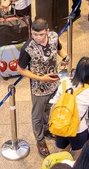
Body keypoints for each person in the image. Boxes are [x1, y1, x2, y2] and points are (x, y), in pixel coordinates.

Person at [17, 18, 69, 157]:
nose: (37, 38)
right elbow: (20, 69)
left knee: (50, 109)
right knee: (37, 115)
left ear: (47, 31)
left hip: (54, 83)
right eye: (34, 34)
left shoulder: (53, 37)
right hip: (38, 88)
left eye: (41, 34)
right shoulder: (28, 47)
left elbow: (59, 49)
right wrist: (41, 78)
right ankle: (40, 141)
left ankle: (47, 130)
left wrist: (65, 57)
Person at [50, 57, 89, 154]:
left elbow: (55, 102)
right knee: (79, 156)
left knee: (63, 153)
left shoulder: (64, 83)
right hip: (78, 128)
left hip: (61, 124)